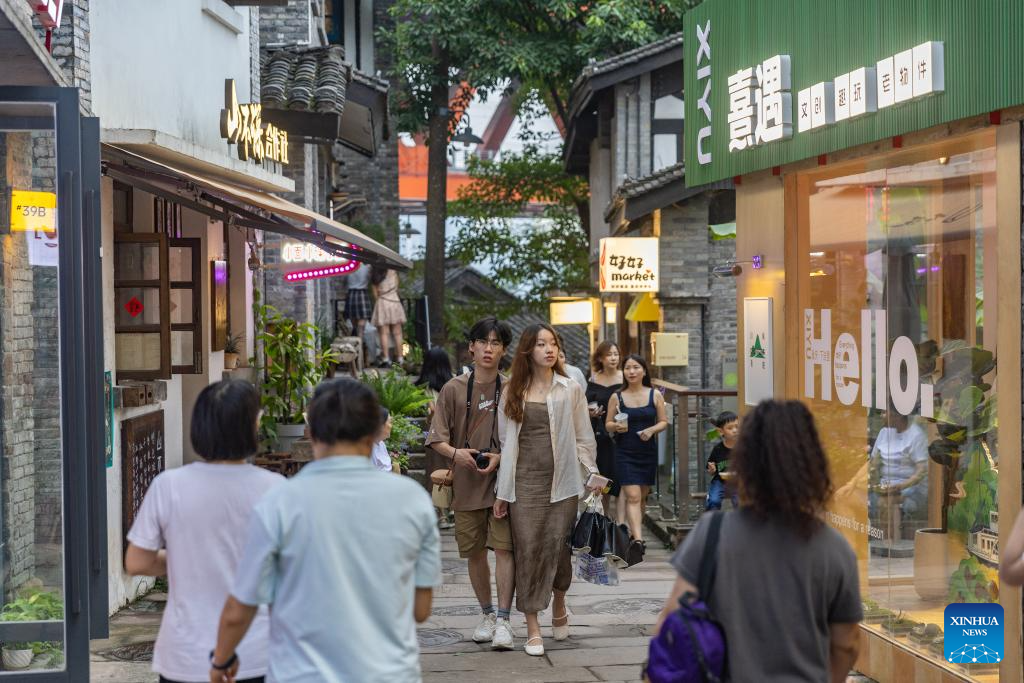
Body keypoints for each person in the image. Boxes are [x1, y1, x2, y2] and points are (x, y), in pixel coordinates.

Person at [209, 378, 440, 683]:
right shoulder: (413, 501)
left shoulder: (280, 502)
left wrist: (221, 660)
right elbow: (421, 609)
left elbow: (241, 606)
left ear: (311, 431)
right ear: (374, 432)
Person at [655, 400, 862, 683]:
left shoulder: (712, 533)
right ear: (814, 461)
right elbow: (846, 643)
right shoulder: (834, 547)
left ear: (745, 460)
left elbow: (670, 622)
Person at [125, 379, 284, 683]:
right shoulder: (276, 489)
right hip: (256, 652)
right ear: (251, 428)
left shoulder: (169, 485)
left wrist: (180, 558)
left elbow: (137, 562)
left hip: (185, 654)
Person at [494, 323, 602, 656]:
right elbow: (505, 441)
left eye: (553, 343)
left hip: (563, 481)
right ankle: (532, 627)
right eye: (541, 344)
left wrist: (592, 473)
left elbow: (584, 437)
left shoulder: (569, 388)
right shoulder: (512, 388)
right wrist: (502, 491)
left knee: (558, 548)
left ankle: (559, 601)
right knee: (528, 550)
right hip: (523, 482)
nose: (548, 349)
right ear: (528, 350)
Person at [425, 317, 516, 649]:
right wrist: (458, 454)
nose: (488, 348)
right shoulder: (453, 389)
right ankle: (488, 615)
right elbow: (437, 439)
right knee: (475, 553)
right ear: (472, 347)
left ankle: (505, 620)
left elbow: (522, 439)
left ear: (504, 350)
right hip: (465, 482)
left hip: (503, 482)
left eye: (496, 343)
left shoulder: (512, 388)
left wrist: (501, 458)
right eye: (483, 342)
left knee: (505, 549)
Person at [605, 354, 668, 543]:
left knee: (641, 497)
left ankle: (634, 531)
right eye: (627, 368)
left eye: (636, 367)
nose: (631, 372)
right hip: (624, 451)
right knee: (632, 496)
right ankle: (638, 541)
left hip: (647, 451)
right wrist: (615, 426)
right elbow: (607, 423)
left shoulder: (654, 394)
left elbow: (664, 422)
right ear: (623, 372)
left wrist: (651, 430)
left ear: (644, 371)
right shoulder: (616, 397)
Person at [868, 409, 929, 534]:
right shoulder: (884, 432)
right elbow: (872, 464)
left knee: (885, 502)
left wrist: (900, 486)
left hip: (912, 489)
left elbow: (922, 472)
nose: (881, 416)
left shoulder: (916, 435)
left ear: (898, 415)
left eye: (885, 412)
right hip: (886, 487)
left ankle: (889, 542)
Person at [585, 341, 624, 518]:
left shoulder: (625, 378)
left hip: (621, 434)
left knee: (621, 480)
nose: (613, 358)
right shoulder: (593, 379)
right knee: (603, 480)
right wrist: (590, 412)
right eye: (609, 354)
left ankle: (622, 526)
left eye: (616, 354)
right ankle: (604, 520)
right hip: (599, 435)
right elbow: (585, 404)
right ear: (600, 358)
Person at [417, 347, 455, 527]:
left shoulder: (425, 388)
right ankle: (454, 510)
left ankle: (440, 515)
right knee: (454, 470)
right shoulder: (455, 382)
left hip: (434, 437)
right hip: (455, 433)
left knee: (435, 473)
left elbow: (429, 411)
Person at [371, 266, 406, 367]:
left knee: (383, 333)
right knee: (398, 333)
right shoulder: (393, 272)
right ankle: (400, 358)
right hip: (394, 302)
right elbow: (397, 287)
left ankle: (386, 359)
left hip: (382, 302)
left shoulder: (375, 274)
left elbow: (375, 294)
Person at [705, 411, 739, 510]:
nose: (735, 430)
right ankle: (714, 522)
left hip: (738, 481)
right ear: (720, 431)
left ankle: (742, 523)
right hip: (719, 481)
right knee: (713, 501)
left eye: (737, 426)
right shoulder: (718, 449)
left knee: (740, 501)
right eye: (730, 428)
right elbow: (710, 469)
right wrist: (712, 470)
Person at [344, 263, 372, 348]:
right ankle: (360, 347)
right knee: (361, 327)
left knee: (355, 326)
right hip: (362, 294)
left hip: (351, 294)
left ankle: (355, 346)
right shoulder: (367, 267)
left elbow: (344, 282)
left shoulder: (348, 267)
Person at [370, 408, 394, 473]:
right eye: (390, 422)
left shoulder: (381, 444)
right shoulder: (369, 448)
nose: (391, 426)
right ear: (380, 425)